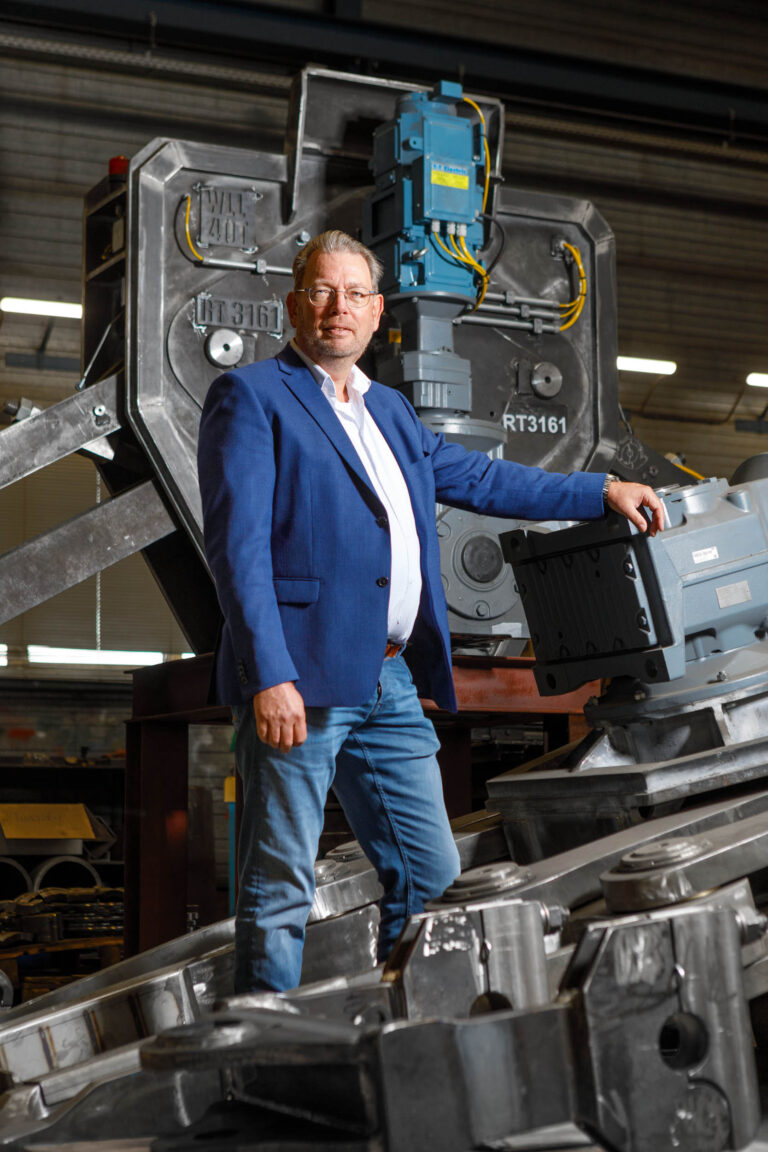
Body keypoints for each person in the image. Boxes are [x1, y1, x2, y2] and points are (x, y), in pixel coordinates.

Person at [197, 229, 664, 994]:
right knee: (280, 882)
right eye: (321, 291)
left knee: (430, 871)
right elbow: (237, 547)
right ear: (293, 305)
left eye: (354, 294)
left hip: (387, 682)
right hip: (302, 680)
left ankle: (405, 1027)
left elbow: (485, 481)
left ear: (377, 312)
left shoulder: (393, 415)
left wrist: (600, 491)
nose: (337, 308)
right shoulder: (252, 398)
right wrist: (267, 673)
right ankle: (261, 1047)